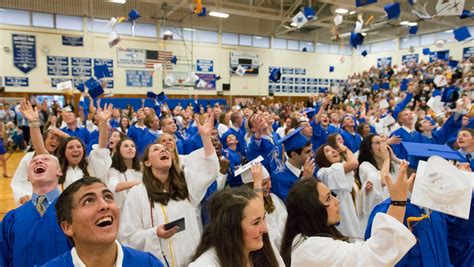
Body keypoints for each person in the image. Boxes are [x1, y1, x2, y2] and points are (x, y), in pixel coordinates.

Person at [119, 114, 219, 266]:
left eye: (166, 149)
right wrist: (154, 233)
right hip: (158, 261)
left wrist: (205, 137)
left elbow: (210, 169)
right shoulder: (138, 193)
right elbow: (128, 236)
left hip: (190, 259)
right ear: (146, 162)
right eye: (156, 149)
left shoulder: (185, 184)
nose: (163, 150)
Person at [280, 161, 416, 266]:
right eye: (328, 198)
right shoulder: (311, 248)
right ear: (312, 210)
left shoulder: (309, 241)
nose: (337, 201)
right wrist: (398, 202)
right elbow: (374, 256)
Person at [42, 177, 163, 266]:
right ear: (67, 227)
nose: (105, 205)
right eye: (88, 201)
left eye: (108, 197)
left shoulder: (148, 264)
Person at [189, 164, 284, 266]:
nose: (265, 229)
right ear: (231, 227)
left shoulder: (261, 248)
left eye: (263, 219)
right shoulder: (206, 264)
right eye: (256, 223)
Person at [1, 154, 71, 266]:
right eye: (34, 161)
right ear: (28, 176)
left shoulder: (74, 210)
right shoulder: (12, 219)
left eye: (45, 159)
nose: (38, 162)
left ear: (59, 172)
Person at [315, 143, 362, 240]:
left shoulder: (340, 167)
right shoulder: (324, 172)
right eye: (327, 151)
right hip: (340, 219)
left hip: (351, 216)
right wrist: (345, 149)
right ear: (322, 158)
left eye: (333, 149)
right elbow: (354, 163)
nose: (333, 151)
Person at [356, 134, 401, 231]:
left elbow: (407, 172)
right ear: (370, 149)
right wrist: (386, 159)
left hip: (394, 209)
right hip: (378, 213)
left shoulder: (391, 164)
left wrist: (393, 158)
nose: (383, 145)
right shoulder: (365, 166)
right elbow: (383, 181)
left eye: (383, 142)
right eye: (377, 143)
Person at [10, 128, 64, 204]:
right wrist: (22, 195)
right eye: (51, 138)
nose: (54, 141)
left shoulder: (60, 159)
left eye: (58, 140)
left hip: (53, 201)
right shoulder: (28, 157)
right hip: (30, 198)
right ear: (43, 140)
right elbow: (18, 180)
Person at [270, 127, 315, 202]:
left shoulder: (309, 166)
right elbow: (291, 205)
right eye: (307, 152)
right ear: (294, 154)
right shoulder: (279, 178)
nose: (312, 155)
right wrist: (304, 180)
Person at [106, 138, 142, 210]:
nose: (130, 148)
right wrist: (139, 182)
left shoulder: (140, 171)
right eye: (126, 146)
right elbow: (113, 187)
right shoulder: (113, 170)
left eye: (132, 146)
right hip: (121, 212)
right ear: (118, 150)